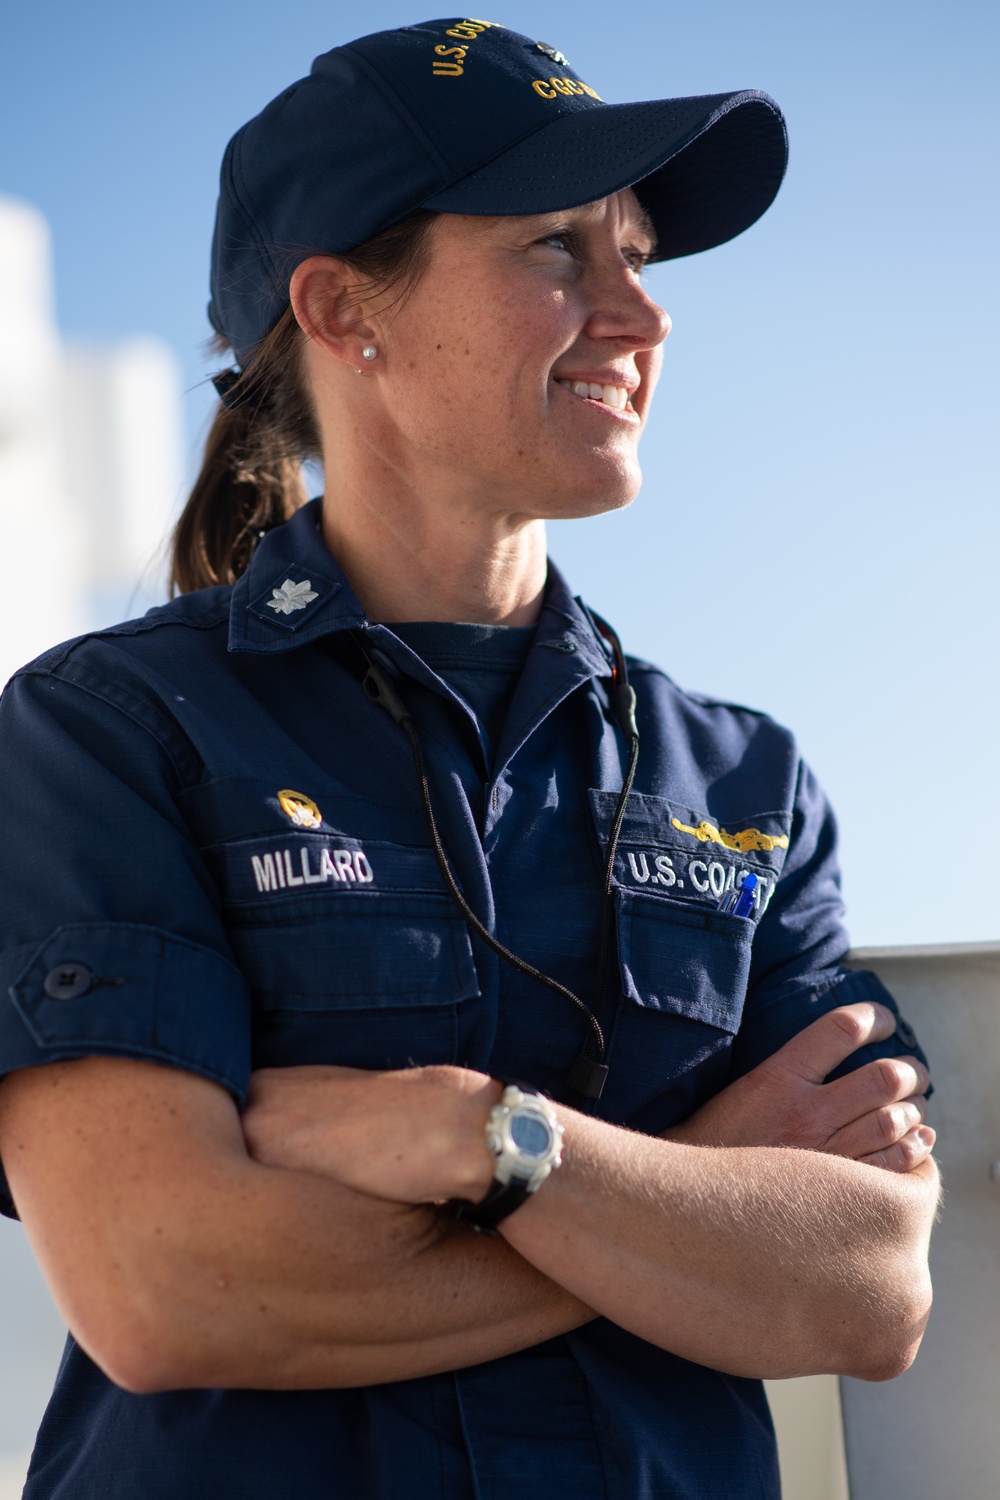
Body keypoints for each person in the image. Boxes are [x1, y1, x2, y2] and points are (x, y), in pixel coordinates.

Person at [0, 18, 937, 1500]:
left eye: (639, 253)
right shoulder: (107, 735)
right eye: (561, 251)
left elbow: (867, 1289)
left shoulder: (742, 784)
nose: (643, 314)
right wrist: (684, 1189)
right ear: (342, 310)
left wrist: (483, 1141)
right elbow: (169, 1287)